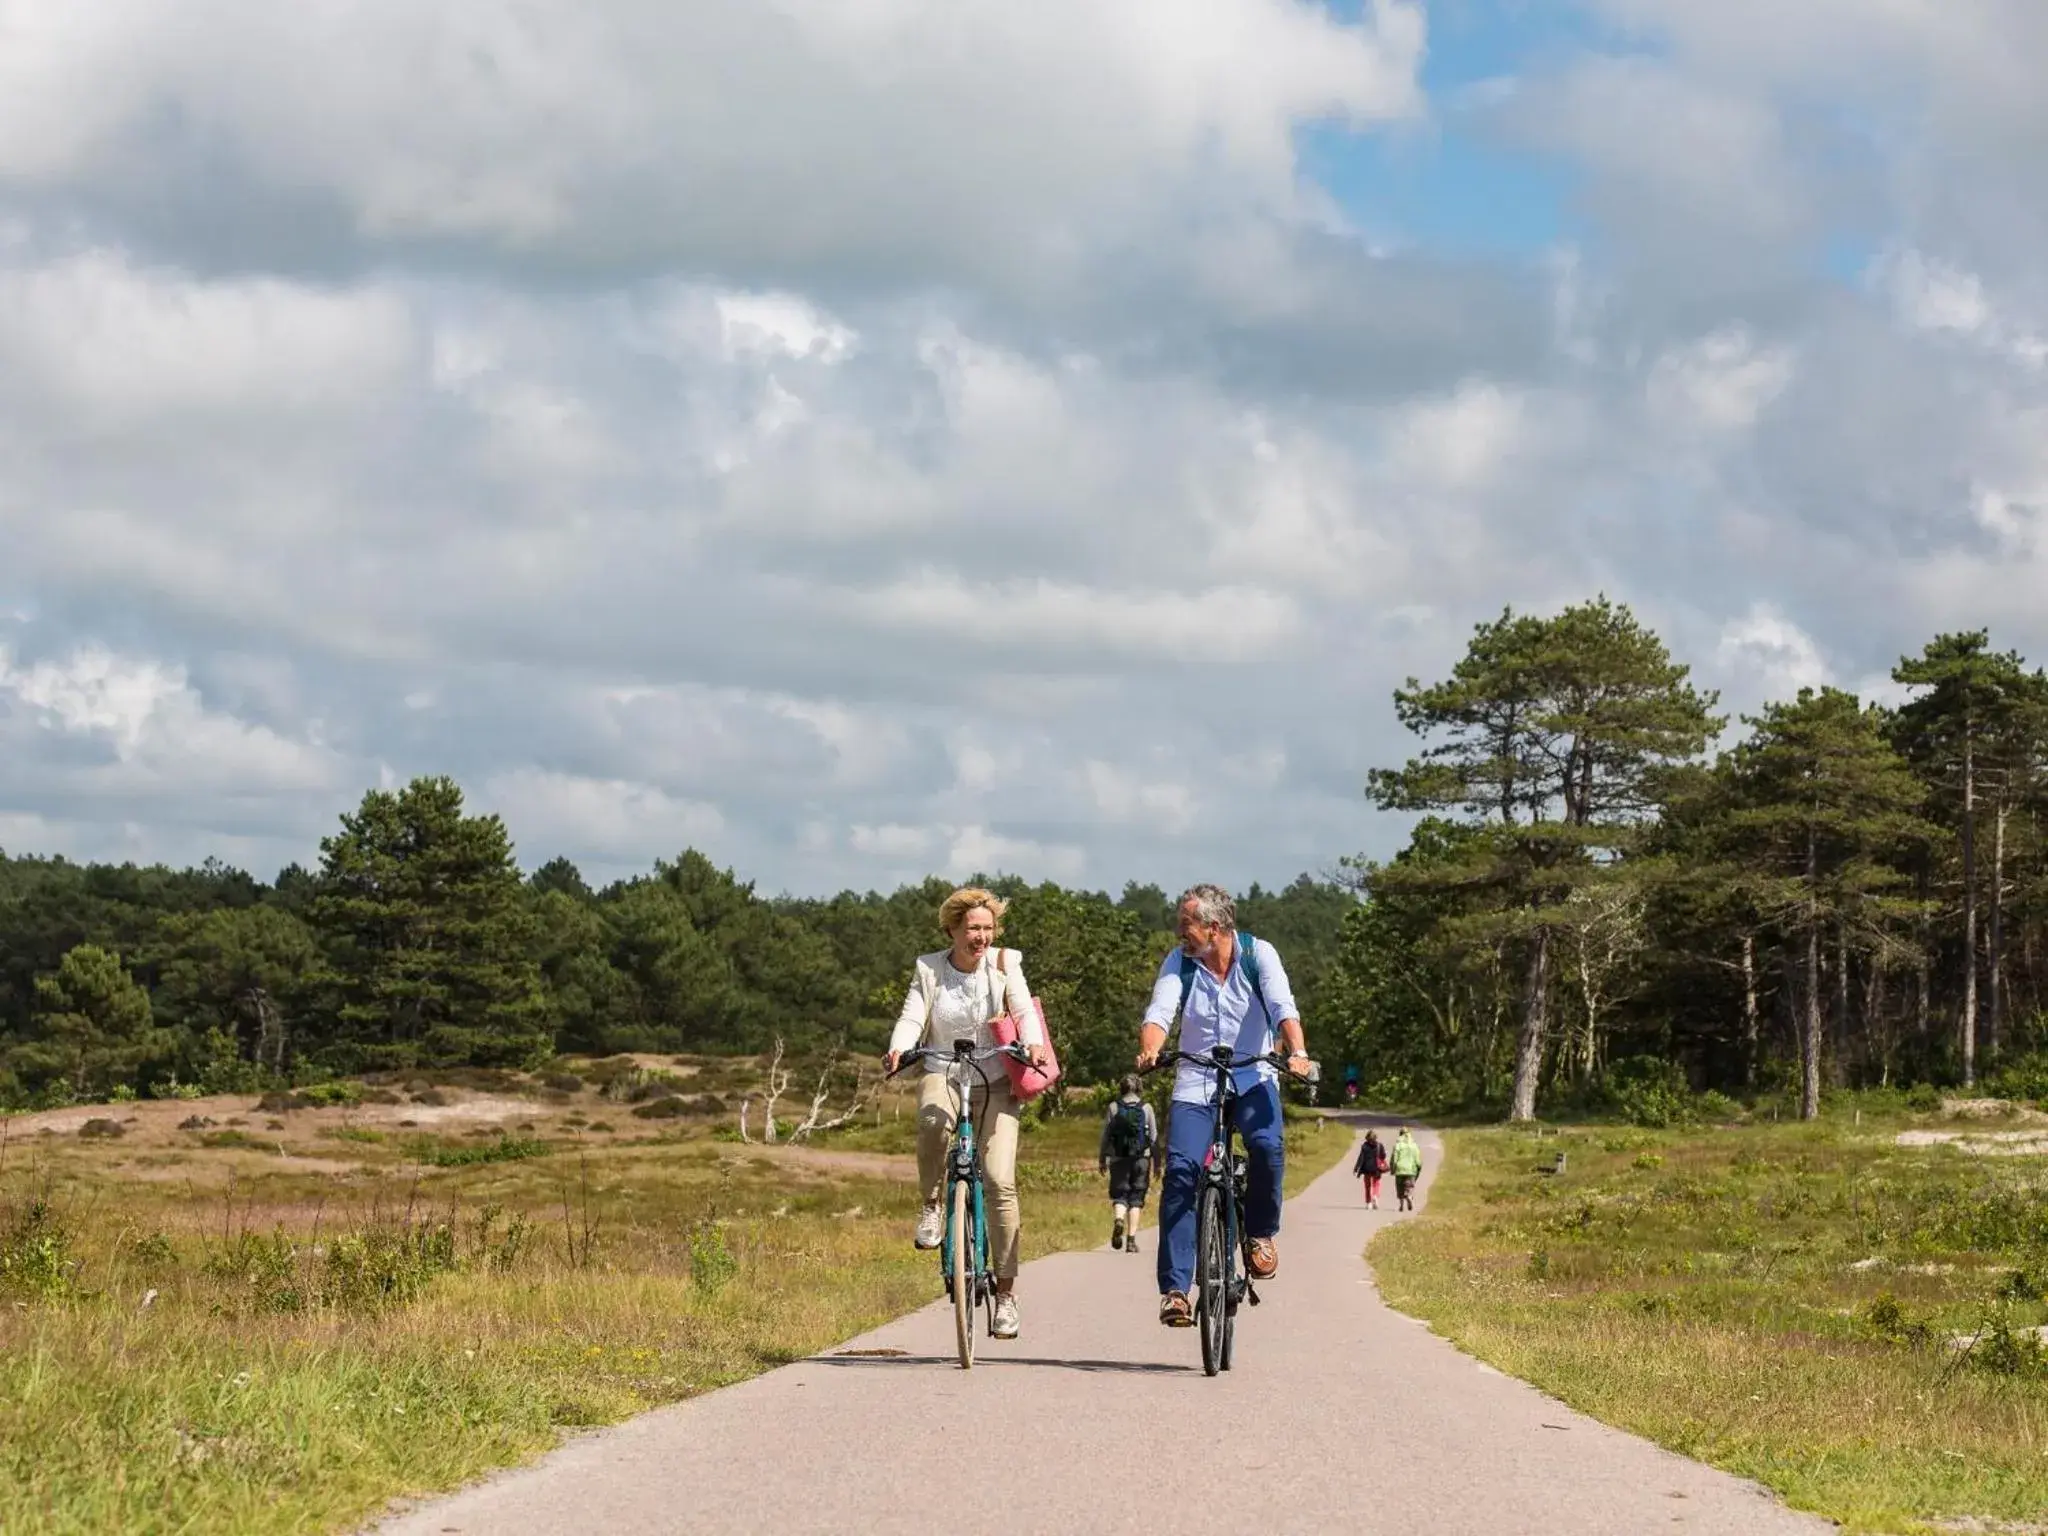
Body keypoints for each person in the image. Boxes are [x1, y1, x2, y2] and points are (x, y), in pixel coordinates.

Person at [1136, 883, 1311, 1328]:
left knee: (1267, 1147)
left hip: (1252, 1077)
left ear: (1214, 928)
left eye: (1186, 925)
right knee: (1180, 1172)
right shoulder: (1181, 962)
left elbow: (1281, 1006)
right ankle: (1175, 1290)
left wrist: (1298, 1052)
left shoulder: (1259, 956)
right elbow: (1160, 1012)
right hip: (1196, 1082)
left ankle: (1259, 1235)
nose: (1180, 934)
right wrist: (1151, 1049)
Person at [887, 887, 1049, 1340]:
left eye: (987, 928)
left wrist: (1033, 1042)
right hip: (944, 1070)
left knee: (999, 1180)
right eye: (972, 928)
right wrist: (899, 1047)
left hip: (997, 1077)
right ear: (953, 930)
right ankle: (933, 1206)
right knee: (932, 1122)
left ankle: (1006, 1297)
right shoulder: (929, 968)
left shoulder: (1004, 963)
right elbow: (912, 1015)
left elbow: (1022, 1008)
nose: (981, 936)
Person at [1098, 1073, 1159, 1255]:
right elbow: (1154, 1138)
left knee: (1120, 1195)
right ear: (1139, 1088)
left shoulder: (1113, 1107)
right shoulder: (1146, 1108)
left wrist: (1102, 1158)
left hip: (1118, 1159)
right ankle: (1131, 1241)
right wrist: (1157, 1164)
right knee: (1136, 1199)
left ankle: (1118, 1219)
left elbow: (1106, 1136)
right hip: (1142, 1159)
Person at [1389, 1126, 1423, 1211]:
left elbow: (1394, 1159)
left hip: (1400, 1169)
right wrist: (1419, 1168)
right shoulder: (1414, 1146)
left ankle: (1401, 1205)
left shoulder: (1397, 1145)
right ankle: (1409, 1196)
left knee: (1400, 1187)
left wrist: (1393, 1169)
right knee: (1409, 1186)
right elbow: (1418, 1161)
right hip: (1411, 1170)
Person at [1353, 1129, 1387, 1208]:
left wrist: (1356, 1168)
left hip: (1366, 1168)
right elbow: (1383, 1156)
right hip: (1376, 1169)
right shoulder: (1379, 1145)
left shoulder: (1364, 1146)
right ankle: (1375, 1196)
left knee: (1367, 1186)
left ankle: (1368, 1203)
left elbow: (1361, 1158)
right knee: (1376, 1184)